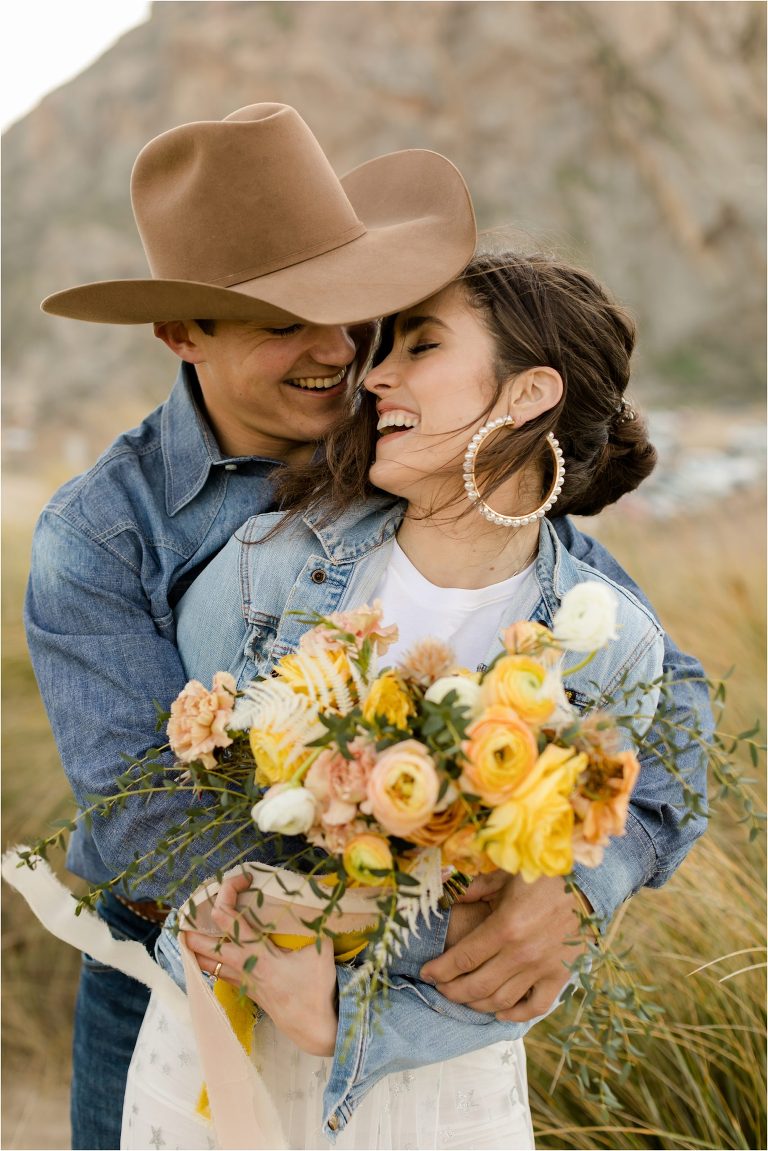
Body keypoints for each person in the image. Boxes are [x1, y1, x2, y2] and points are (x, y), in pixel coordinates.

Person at [117, 250, 708, 1150]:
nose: (374, 372)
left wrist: (347, 1020)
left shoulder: (610, 638)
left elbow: (527, 946)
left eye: (420, 345)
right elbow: (174, 816)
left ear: (526, 394)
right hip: (223, 1052)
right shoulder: (266, 567)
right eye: (384, 345)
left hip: (442, 1088)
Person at [24, 100, 478, 1150]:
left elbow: (652, 682)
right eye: (284, 321)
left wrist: (577, 886)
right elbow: (153, 816)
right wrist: (394, 909)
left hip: (420, 1005)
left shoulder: (428, 449)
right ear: (182, 332)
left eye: (348, 304)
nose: (338, 349)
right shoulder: (98, 533)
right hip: (168, 988)